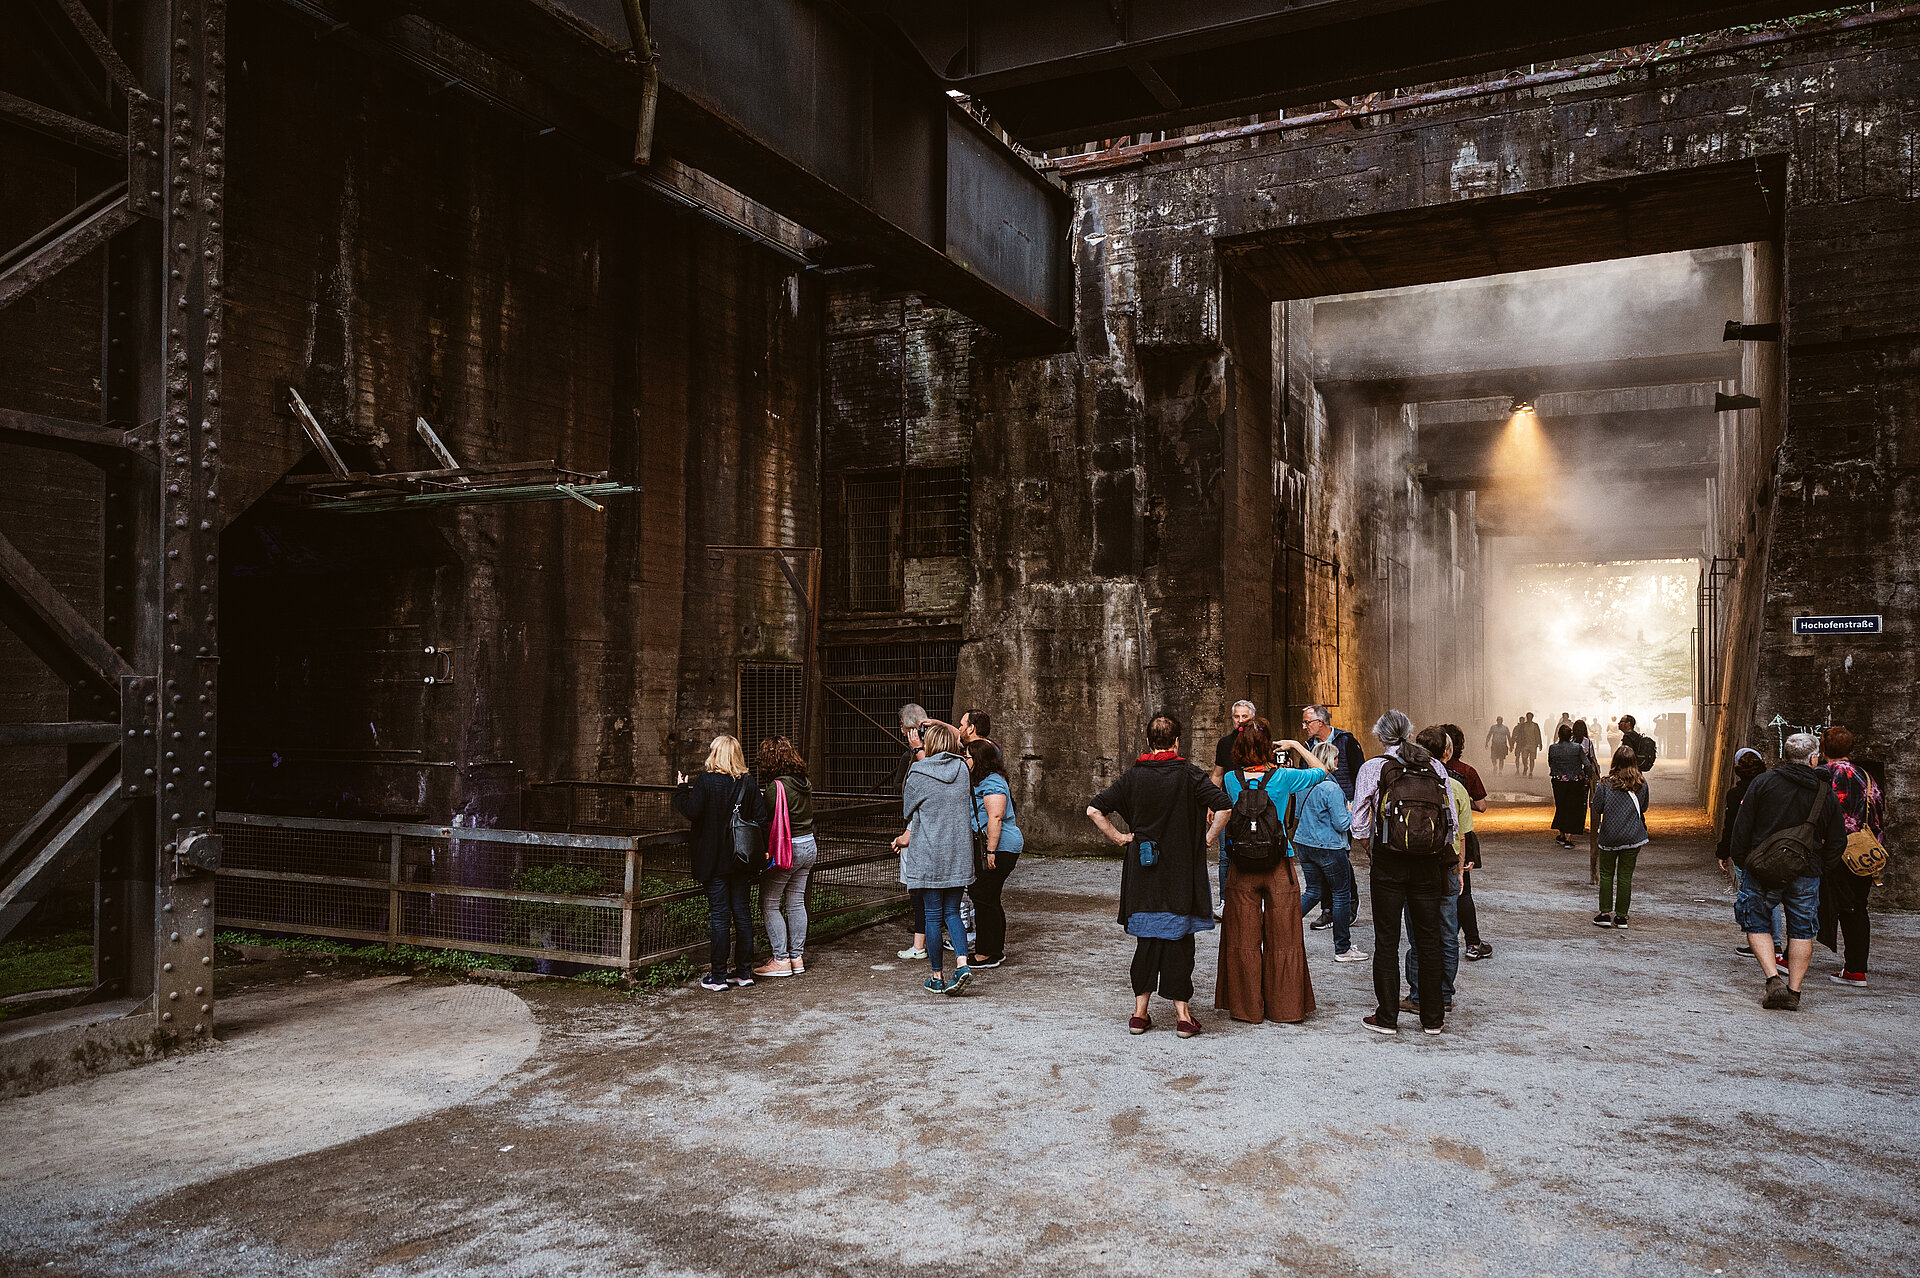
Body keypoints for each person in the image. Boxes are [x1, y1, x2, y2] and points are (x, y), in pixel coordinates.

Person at [1088, 713, 1233, 1039]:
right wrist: (1208, 839)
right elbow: (1223, 807)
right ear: (1177, 741)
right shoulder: (1189, 774)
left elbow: (1094, 809)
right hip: (1180, 873)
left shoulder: (1133, 776)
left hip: (1144, 870)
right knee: (1180, 941)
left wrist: (1120, 837)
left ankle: (1139, 1015)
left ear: (1149, 741)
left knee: (1147, 941)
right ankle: (1183, 1017)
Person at [1351, 710, 1457, 1035]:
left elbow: (1358, 824)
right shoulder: (1435, 766)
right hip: (1428, 864)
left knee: (1387, 940)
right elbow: (1449, 820)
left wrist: (1374, 849)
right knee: (1429, 938)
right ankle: (1433, 1018)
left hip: (1388, 864)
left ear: (1379, 736)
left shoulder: (1374, 768)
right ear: (1409, 732)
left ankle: (1386, 1017)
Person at [1215, 721, 1329, 1024]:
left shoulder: (1230, 779)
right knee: (1285, 937)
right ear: (1269, 748)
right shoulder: (1284, 777)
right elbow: (1323, 771)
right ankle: (1285, 1008)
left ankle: (1247, 1009)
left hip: (1241, 865)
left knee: (1242, 937)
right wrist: (1296, 746)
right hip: (1279, 862)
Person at [1728, 732, 1848, 1010]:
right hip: (1806, 871)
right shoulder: (1824, 792)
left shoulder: (1762, 783)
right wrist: (1820, 867)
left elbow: (1741, 827)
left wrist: (1744, 861)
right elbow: (1838, 840)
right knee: (1801, 931)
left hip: (1761, 868)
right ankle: (1794, 991)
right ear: (1813, 758)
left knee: (1756, 923)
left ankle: (1772, 979)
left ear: (1785, 754)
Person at [674, 735, 769, 991]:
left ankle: (717, 976)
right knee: (742, 914)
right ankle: (743, 972)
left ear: (715, 754)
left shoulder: (706, 781)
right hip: (741, 860)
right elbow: (762, 819)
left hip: (714, 861)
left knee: (719, 917)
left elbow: (691, 812)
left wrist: (682, 788)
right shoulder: (748, 783)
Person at [890, 721, 977, 995]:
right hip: (958, 853)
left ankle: (937, 976)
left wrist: (916, 751)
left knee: (932, 916)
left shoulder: (918, 771)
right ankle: (962, 963)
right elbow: (961, 743)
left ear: (929, 745)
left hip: (929, 854)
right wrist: (941, 726)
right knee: (952, 912)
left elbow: (907, 809)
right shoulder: (963, 769)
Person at [1818, 725, 1882, 988]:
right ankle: (1856, 968)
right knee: (1857, 908)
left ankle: (1790, 957)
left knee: (1809, 902)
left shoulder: (1822, 775)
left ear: (1823, 749)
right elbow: (1877, 814)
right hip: (1862, 853)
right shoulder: (1867, 776)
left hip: (1831, 851)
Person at [752, 737, 817, 980]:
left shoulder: (777, 787)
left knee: (769, 902)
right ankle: (796, 957)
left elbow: (765, 815)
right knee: (796, 901)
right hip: (809, 845)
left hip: (787, 849)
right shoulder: (804, 782)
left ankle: (780, 959)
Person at [1295, 739, 1364, 963]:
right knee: (1341, 895)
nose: (1338, 761)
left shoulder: (1302, 784)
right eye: (1336, 758)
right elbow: (1342, 824)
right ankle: (1343, 948)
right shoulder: (1332, 788)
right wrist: (1353, 812)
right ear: (1329, 760)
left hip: (1304, 844)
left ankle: (1280, 928)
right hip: (1329, 847)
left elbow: (1297, 815)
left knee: (1313, 891)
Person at [1716, 748, 1781, 958]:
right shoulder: (1773, 789)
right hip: (1771, 849)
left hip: (1746, 852)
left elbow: (1731, 826)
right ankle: (1777, 943)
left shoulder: (1736, 794)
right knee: (1771, 896)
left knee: (1752, 897)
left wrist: (1723, 852)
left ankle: (1759, 941)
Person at [965, 739, 1023, 969]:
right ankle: (993, 950)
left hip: (1001, 847)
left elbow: (995, 818)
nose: (965, 760)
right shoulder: (984, 780)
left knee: (982, 895)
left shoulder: (993, 783)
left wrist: (990, 850)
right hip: (998, 846)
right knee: (989, 897)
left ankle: (986, 953)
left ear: (978, 759)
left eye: (968, 756)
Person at [1444, 724, 1492, 962]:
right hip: (1460, 836)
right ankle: (1472, 943)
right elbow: (1482, 805)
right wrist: (1464, 803)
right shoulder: (1466, 772)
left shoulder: (1425, 770)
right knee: (1463, 891)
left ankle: (1444, 939)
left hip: (1431, 837)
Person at [1589, 745, 1651, 929]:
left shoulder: (1605, 784)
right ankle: (1622, 917)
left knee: (1606, 874)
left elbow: (1597, 808)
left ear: (1614, 761)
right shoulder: (1641, 783)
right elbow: (1644, 807)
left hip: (1609, 836)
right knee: (1625, 876)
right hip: (1633, 836)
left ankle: (1605, 914)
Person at [1547, 723, 1588, 849]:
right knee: (1573, 807)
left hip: (1559, 781)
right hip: (1575, 781)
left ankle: (1562, 834)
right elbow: (1586, 763)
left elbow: (1550, 762)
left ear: (1559, 735)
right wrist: (1587, 777)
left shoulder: (1553, 748)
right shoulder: (1577, 747)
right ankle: (1569, 837)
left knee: (1561, 806)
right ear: (1571, 735)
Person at [1210, 699, 1258, 787]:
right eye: (1236, 717)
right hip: (1230, 797)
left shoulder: (1261, 741)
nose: (1240, 720)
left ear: (1252, 718)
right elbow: (1218, 775)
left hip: (1256, 795)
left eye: (1244, 716)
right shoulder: (1224, 743)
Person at [1513, 712, 1542, 777]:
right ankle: (1525, 766)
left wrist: (1540, 743)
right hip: (1525, 744)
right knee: (1524, 758)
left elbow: (1538, 734)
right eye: (1528, 717)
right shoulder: (1523, 725)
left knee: (1532, 759)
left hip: (1533, 744)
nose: (1529, 718)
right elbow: (1520, 735)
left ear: (1532, 717)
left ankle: (1531, 772)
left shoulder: (1535, 725)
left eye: (1530, 717)